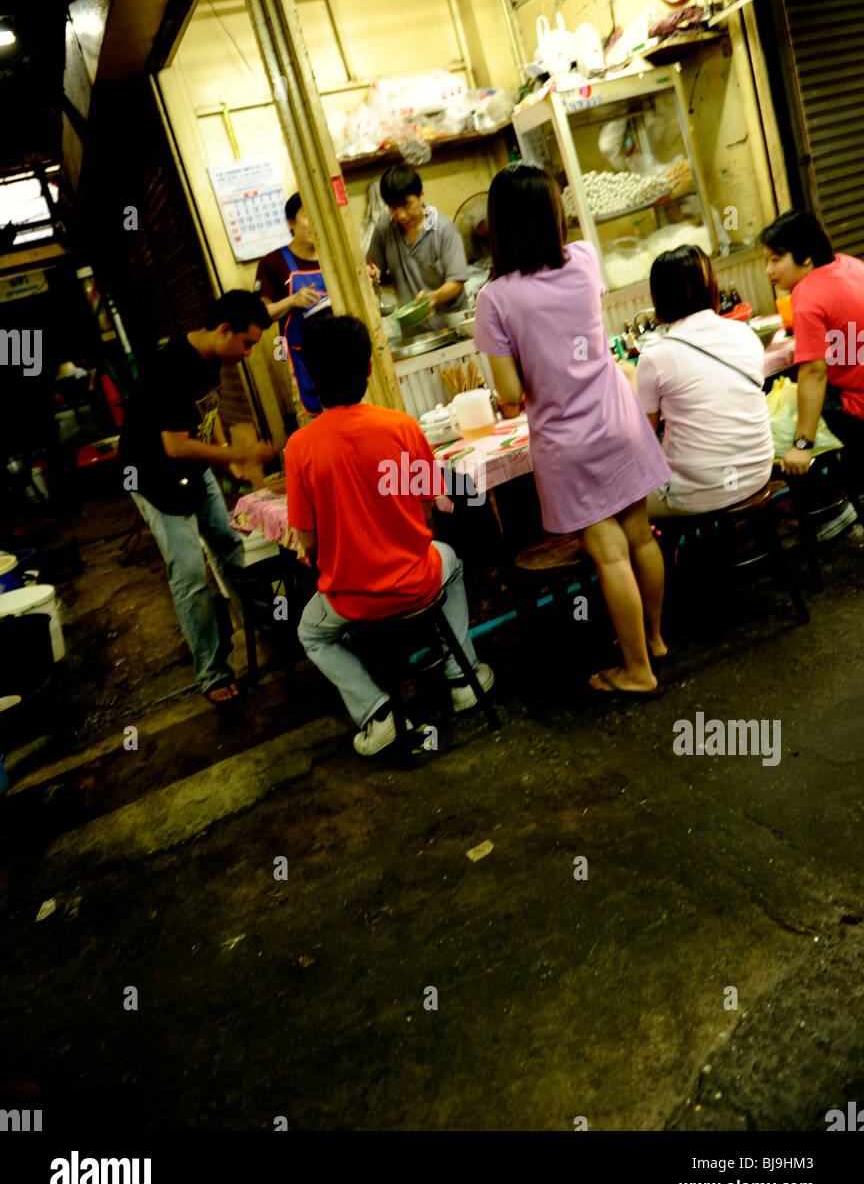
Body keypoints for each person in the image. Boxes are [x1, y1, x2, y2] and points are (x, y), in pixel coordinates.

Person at [474, 162, 670, 698]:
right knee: (639, 539)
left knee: (609, 555)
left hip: (570, 440)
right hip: (619, 418)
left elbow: (511, 394)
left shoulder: (494, 299)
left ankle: (636, 672)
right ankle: (652, 641)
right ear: (553, 214)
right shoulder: (583, 258)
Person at [286, 314, 493, 756]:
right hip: (417, 581)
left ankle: (379, 714)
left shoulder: (299, 447)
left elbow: (306, 541)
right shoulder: (399, 427)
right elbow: (426, 506)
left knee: (311, 632)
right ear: (367, 370)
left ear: (311, 375)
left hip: (351, 598)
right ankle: (462, 677)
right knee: (451, 561)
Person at [119, 291, 275, 705]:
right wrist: (236, 453)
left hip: (194, 468)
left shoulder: (215, 356)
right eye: (246, 343)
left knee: (228, 544)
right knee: (190, 574)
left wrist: (225, 459)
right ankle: (212, 671)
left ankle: (268, 624)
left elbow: (209, 411)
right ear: (224, 330)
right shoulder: (173, 367)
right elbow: (175, 446)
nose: (247, 353)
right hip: (153, 475)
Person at [632, 247, 774, 517]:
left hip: (700, 494)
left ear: (657, 297)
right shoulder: (743, 333)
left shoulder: (655, 355)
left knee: (613, 509)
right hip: (758, 473)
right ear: (711, 287)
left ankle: (679, 557)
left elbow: (644, 439)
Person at [762, 209, 864, 482]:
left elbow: (814, 372)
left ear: (806, 257)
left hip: (857, 408)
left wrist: (802, 445)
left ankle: (830, 517)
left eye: (776, 259)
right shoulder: (851, 264)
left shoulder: (806, 295)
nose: (768, 270)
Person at [366, 163, 470, 331]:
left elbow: (456, 283)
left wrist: (433, 297)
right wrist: (371, 272)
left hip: (452, 327)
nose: (401, 215)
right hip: (413, 334)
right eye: (393, 208)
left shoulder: (444, 229)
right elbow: (371, 265)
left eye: (406, 205)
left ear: (421, 195)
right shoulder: (384, 230)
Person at [254, 193, 330, 415]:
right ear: (291, 223)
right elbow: (262, 314)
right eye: (307, 215)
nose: (315, 221)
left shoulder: (332, 254)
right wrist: (292, 300)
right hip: (301, 359)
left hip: (340, 354)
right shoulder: (273, 262)